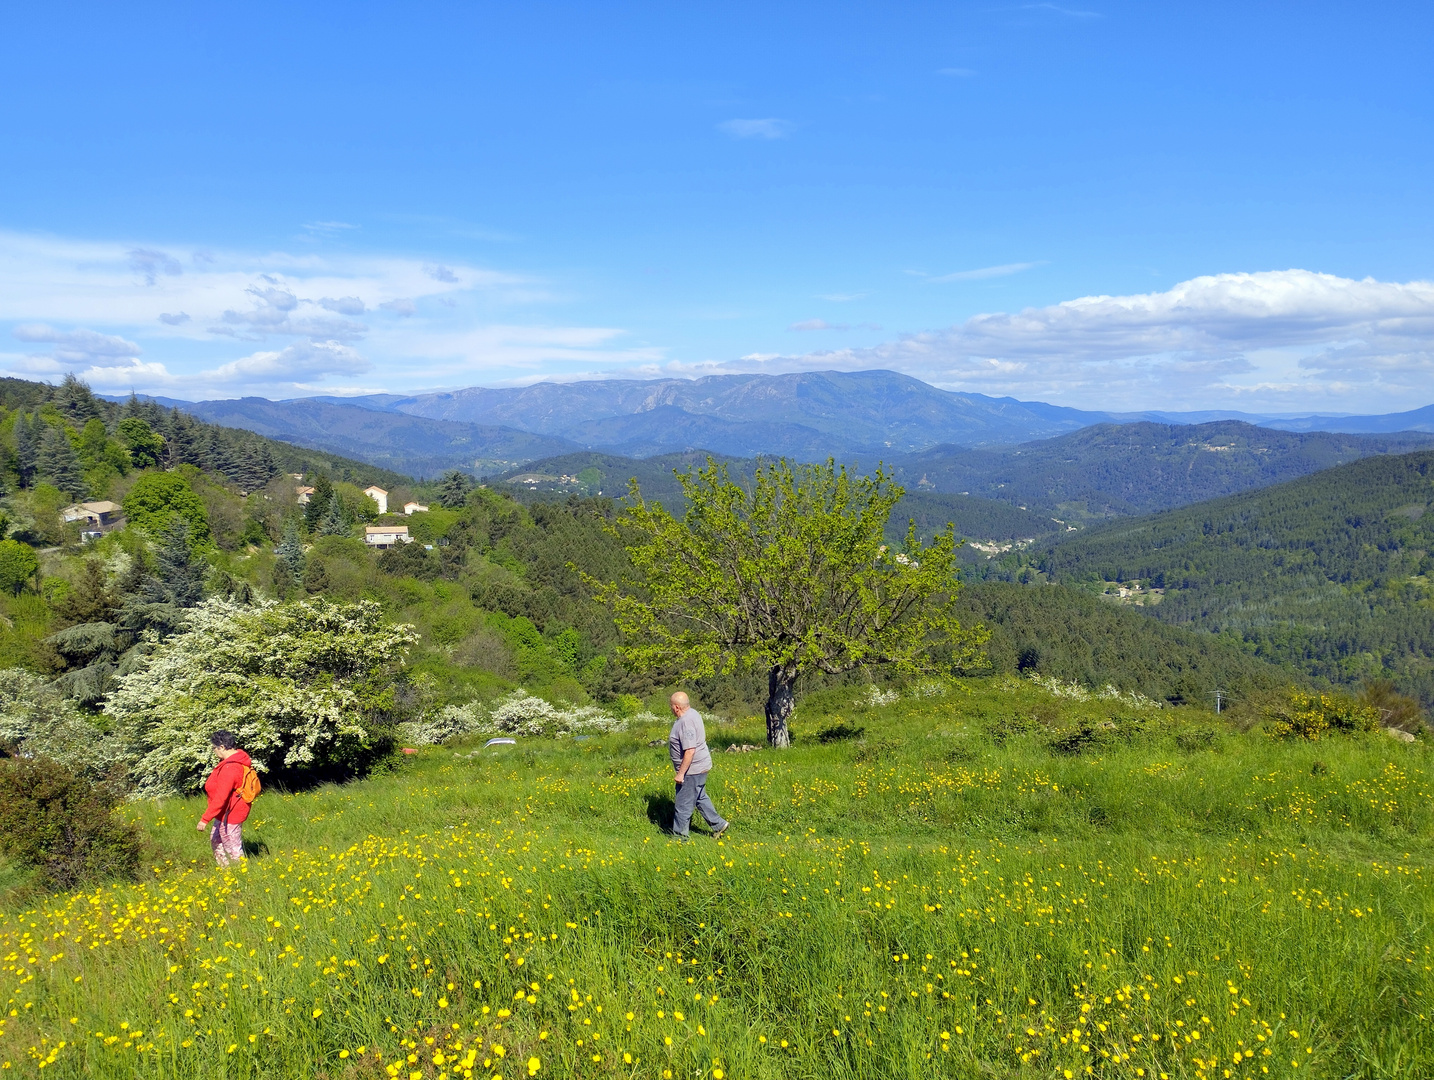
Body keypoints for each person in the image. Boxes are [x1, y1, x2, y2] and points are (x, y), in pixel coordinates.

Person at [668, 692, 728, 841]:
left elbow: (690, 750)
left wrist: (681, 773)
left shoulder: (686, 722)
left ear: (676, 707)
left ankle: (679, 838)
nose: (670, 709)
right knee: (699, 797)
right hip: (701, 765)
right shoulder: (693, 713)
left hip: (692, 770)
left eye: (671, 706)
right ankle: (719, 825)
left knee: (683, 804)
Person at [196, 730, 252, 866]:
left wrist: (204, 820)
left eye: (214, 748)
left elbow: (221, 797)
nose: (214, 751)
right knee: (216, 840)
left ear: (221, 747)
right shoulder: (229, 762)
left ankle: (242, 876)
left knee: (233, 848)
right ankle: (225, 871)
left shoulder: (231, 767)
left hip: (231, 813)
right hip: (223, 813)